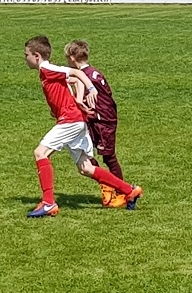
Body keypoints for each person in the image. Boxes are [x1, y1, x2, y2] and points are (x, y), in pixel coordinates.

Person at [23, 35, 142, 218]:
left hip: (70, 121)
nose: (25, 58)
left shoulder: (47, 68)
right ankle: (130, 190)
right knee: (86, 168)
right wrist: (74, 101)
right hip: (75, 120)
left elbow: (78, 74)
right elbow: (72, 82)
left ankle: (48, 202)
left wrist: (91, 89)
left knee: (40, 153)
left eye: (27, 55)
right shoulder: (46, 71)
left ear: (37, 56)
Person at [65, 39, 132, 208]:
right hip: (97, 119)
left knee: (108, 157)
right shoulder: (93, 72)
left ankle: (123, 192)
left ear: (72, 58)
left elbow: (89, 99)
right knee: (86, 154)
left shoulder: (85, 77)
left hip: (102, 121)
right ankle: (108, 185)